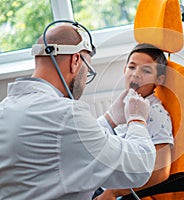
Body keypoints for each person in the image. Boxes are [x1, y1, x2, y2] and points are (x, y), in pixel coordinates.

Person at [0, 21, 156, 200]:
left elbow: (64, 145)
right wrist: (137, 119)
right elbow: (139, 167)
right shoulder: (66, 115)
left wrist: (110, 118)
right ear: (75, 61)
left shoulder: (6, 108)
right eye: (87, 71)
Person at [93, 43, 173, 200]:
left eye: (146, 70)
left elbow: (161, 172)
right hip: (99, 180)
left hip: (112, 190)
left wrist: (114, 192)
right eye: (132, 67)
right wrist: (110, 119)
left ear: (159, 79)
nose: (136, 74)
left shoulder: (155, 113)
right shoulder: (126, 103)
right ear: (124, 70)